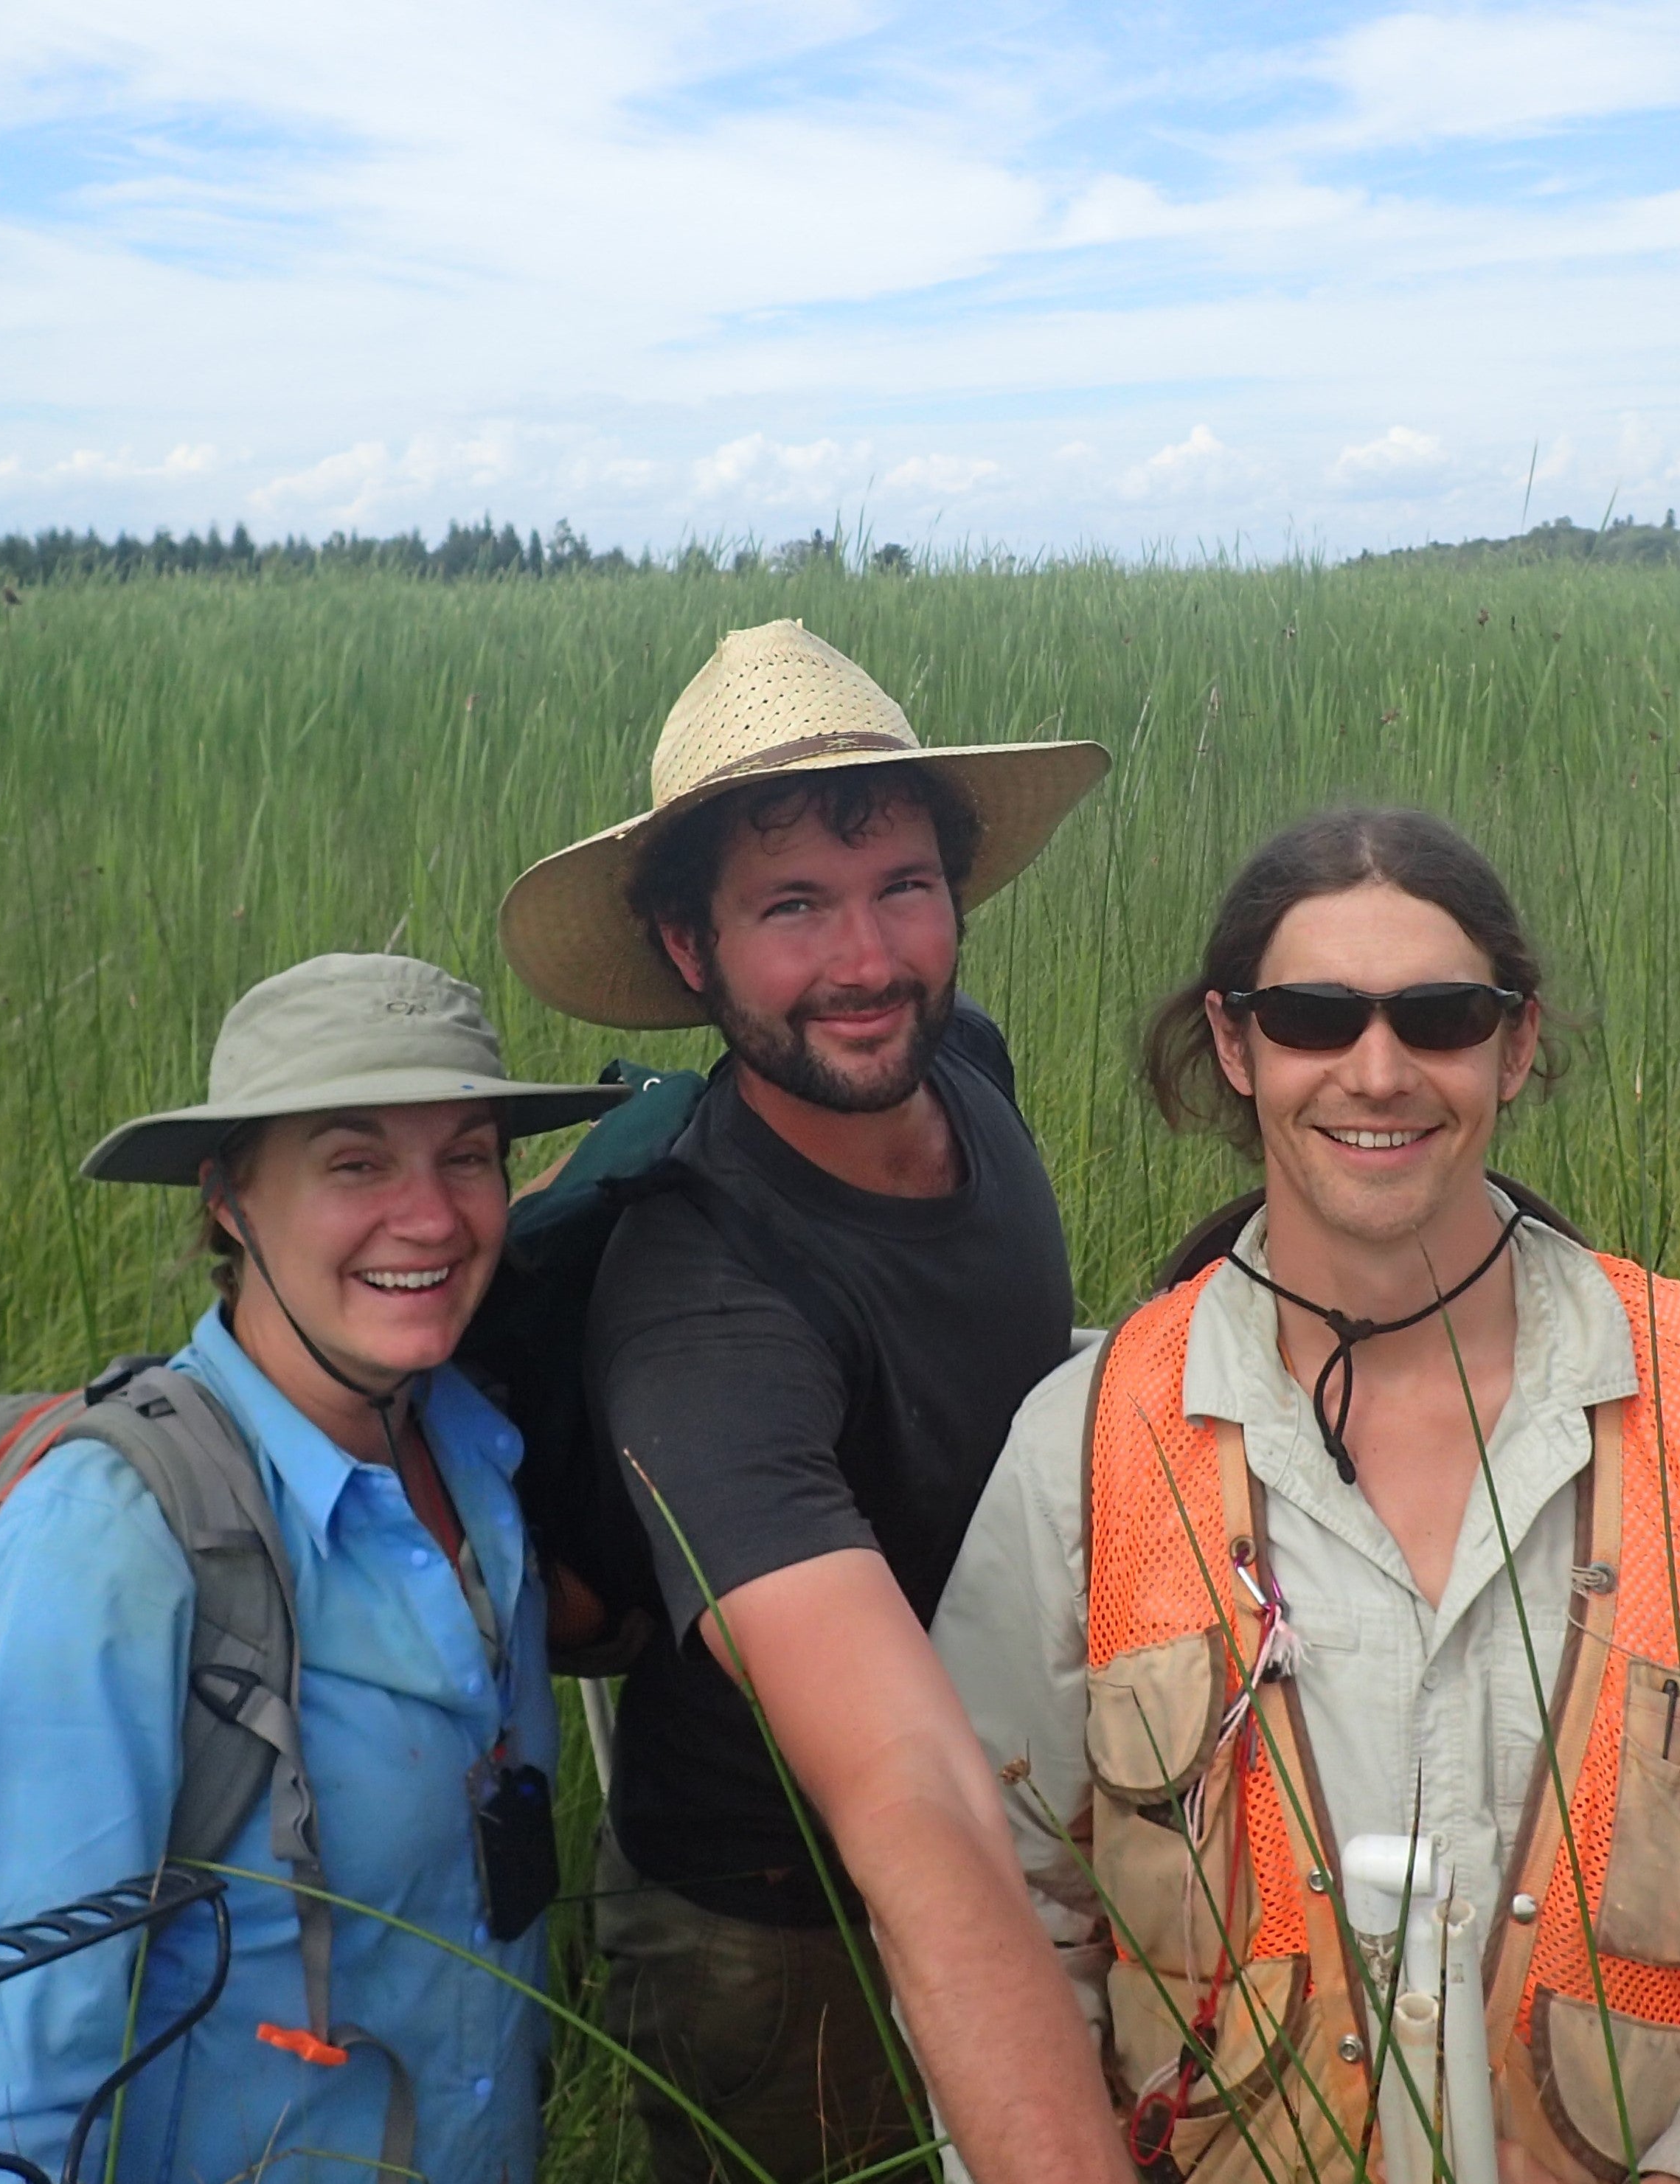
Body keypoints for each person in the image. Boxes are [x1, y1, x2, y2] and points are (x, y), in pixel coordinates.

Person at [931, 808, 1680, 2184]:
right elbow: (988, 1913)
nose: (1375, 1070)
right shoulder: (1088, 1441)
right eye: (1310, 1016)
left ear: (1514, 1046)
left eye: (1437, 1015)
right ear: (1234, 1046)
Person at [494, 620, 1128, 2183]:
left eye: (902, 886)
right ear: (689, 948)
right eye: (792, 907)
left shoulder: (952, 1053)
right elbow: (903, 1786)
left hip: (1036, 1824)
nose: (866, 961)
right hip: (779, 1923)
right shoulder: (705, 1303)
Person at [0, 954, 619, 2184]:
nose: (432, 1216)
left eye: (468, 1154)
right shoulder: (112, 1541)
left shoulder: (473, 1452)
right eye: (354, 1162)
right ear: (229, 1199)